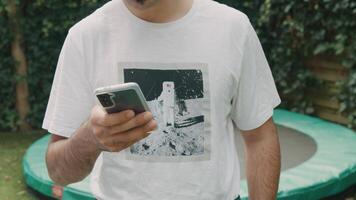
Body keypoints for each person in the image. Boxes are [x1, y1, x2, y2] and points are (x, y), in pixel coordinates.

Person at [43, 0, 281, 199]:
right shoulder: (85, 37)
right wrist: (91, 138)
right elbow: (58, 171)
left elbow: (260, 137)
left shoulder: (232, 28)